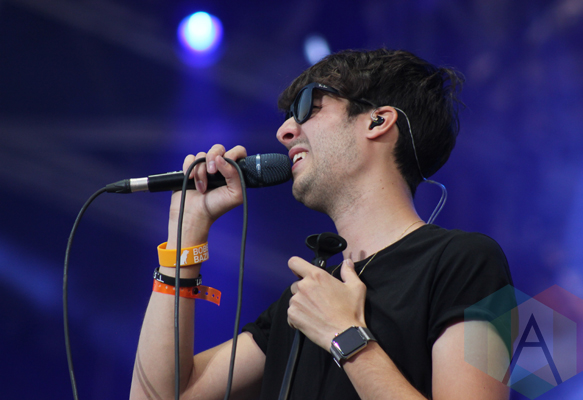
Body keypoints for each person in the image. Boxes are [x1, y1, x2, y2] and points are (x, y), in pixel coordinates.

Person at [130, 49, 514, 400]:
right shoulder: (302, 301)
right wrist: (186, 232)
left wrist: (345, 337)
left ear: (378, 120)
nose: (284, 132)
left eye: (308, 107)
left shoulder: (473, 261)